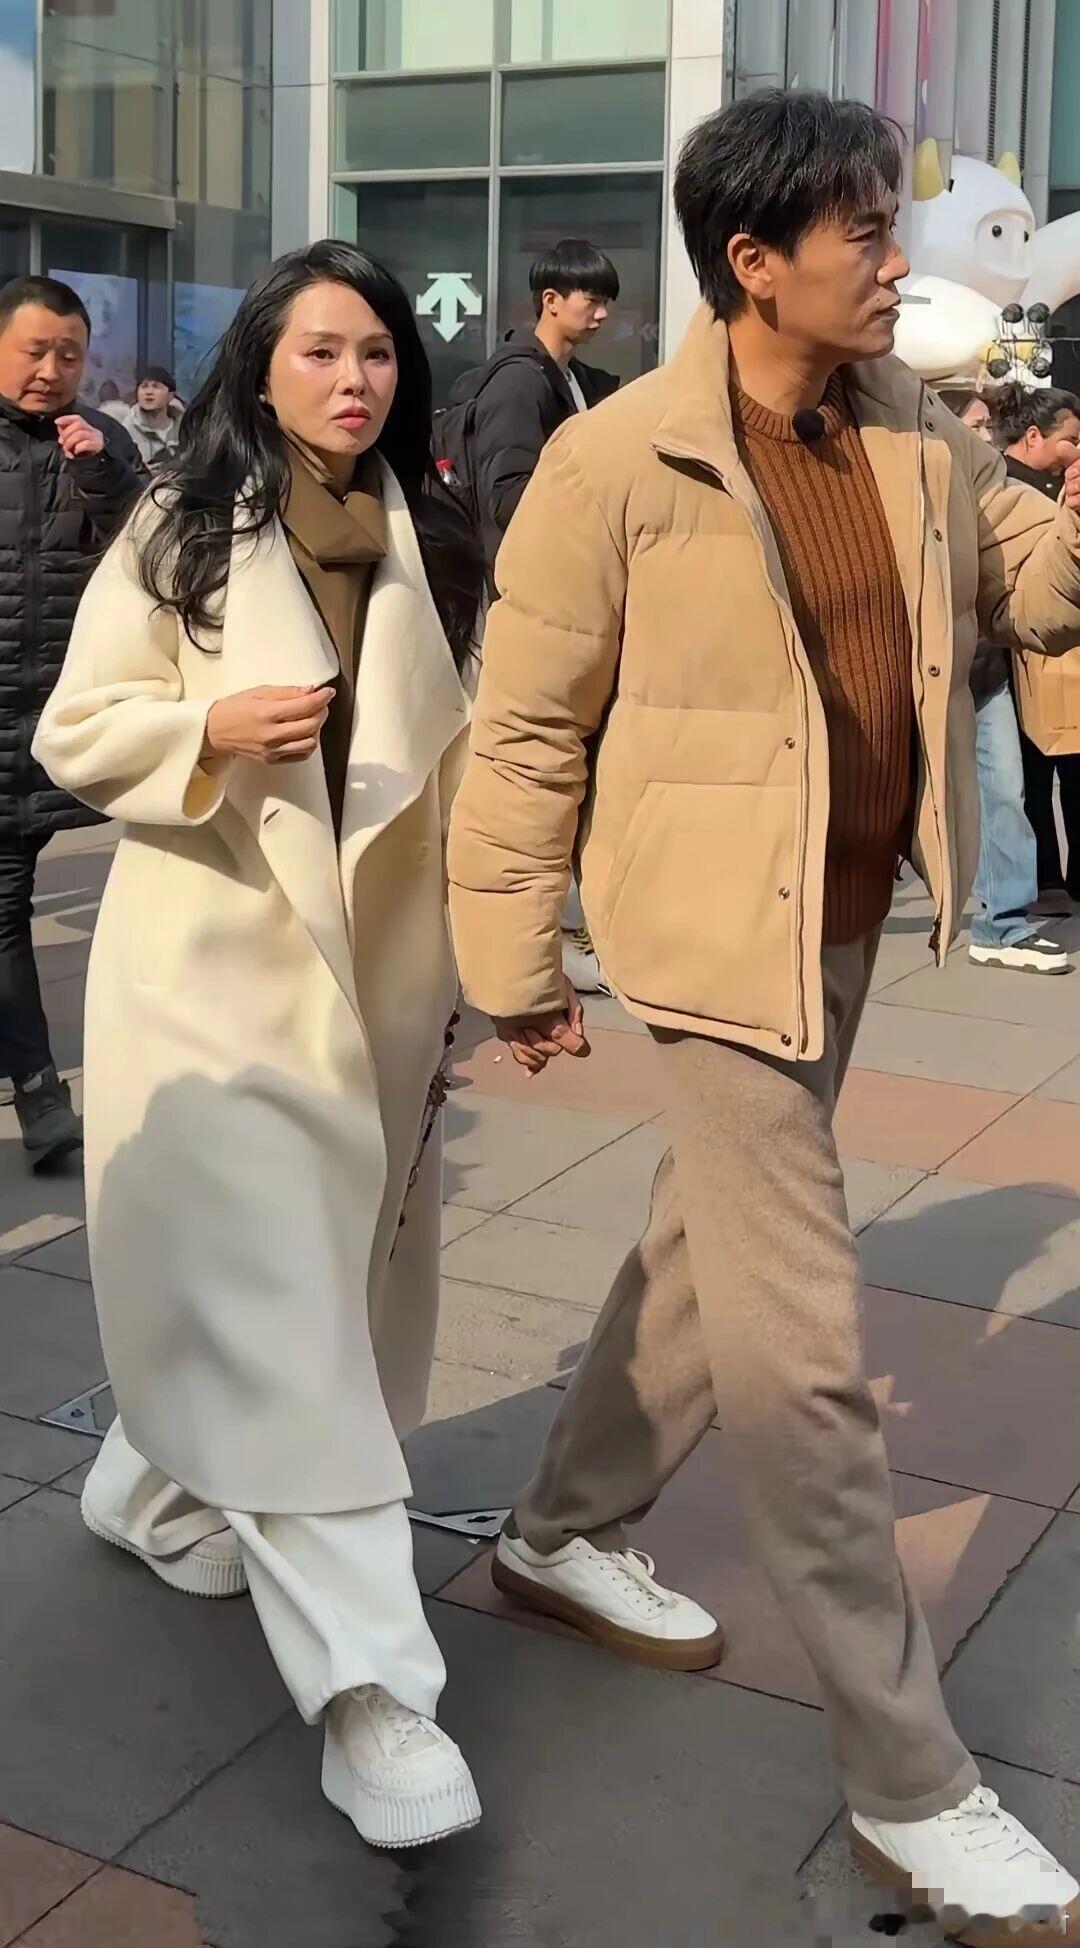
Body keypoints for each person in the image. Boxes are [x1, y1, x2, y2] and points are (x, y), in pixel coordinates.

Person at [447, 92, 1080, 1940]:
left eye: (894, 223)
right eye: (865, 229)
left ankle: (558, 1529)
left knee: (697, 1252)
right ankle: (912, 1783)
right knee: (803, 1353)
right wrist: (512, 962)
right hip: (714, 940)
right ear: (753, 260)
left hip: (850, 917)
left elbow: (1026, 588)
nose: (897, 261)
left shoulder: (910, 425)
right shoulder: (617, 460)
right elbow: (526, 726)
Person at [33, 240, 485, 1850]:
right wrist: (206, 731)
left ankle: (147, 1482)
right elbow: (76, 728)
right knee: (292, 1321)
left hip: (380, 987)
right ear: (260, 368)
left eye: (375, 353)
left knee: (309, 1297)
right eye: (317, 351)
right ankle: (374, 1694)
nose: (352, 379)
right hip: (213, 978)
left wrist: (507, 966)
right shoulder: (183, 522)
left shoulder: (434, 539)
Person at [446, 239, 622, 996]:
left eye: (605, 299)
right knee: (533, 777)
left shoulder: (571, 379)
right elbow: (509, 496)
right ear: (550, 299)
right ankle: (545, 938)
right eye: (590, 298)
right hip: (521, 605)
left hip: (547, 602)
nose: (602, 312)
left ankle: (562, 934)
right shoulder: (522, 381)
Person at [0, 274, 143, 1167]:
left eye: (69, 355)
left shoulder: (102, 442)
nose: (50, 370)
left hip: (52, 717)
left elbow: (158, 548)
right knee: (5, 906)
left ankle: (38, 1089)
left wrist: (102, 473)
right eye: (33, 351)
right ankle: (40, 1094)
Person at [940, 386, 1068, 973]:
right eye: (973, 425)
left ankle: (1002, 924)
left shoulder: (997, 490)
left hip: (983, 667)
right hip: (917, 666)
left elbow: (1038, 549)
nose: (985, 434)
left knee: (1004, 794)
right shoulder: (917, 479)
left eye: (987, 425)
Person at [990, 381, 1080, 915]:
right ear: (1032, 436)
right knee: (1026, 780)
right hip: (1012, 656)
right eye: (1071, 439)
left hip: (1057, 656)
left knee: (1068, 772)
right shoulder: (1001, 487)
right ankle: (1042, 879)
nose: (1076, 450)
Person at [120, 364, 184, 469]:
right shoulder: (127, 431)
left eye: (156, 386)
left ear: (170, 395)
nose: (149, 392)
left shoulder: (184, 429)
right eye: (144, 386)